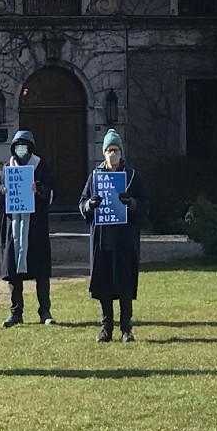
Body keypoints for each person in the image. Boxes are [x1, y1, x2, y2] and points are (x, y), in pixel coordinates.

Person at [80, 130, 145, 342]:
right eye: (109, 150)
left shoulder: (132, 176)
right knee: (104, 285)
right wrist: (90, 204)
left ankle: (126, 328)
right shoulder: (95, 176)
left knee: (124, 284)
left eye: (115, 150)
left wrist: (132, 204)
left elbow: (146, 205)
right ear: (104, 153)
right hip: (102, 240)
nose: (112, 154)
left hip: (124, 240)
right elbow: (82, 203)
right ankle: (105, 328)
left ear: (121, 152)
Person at [0, 129, 55, 326]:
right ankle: (15, 312)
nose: (22, 149)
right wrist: (2, 192)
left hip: (35, 226)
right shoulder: (6, 169)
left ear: (31, 148)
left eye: (25, 146)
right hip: (13, 225)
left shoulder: (41, 167)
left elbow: (51, 193)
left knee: (41, 270)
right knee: (13, 271)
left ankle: (44, 311)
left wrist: (40, 190)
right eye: (18, 146)